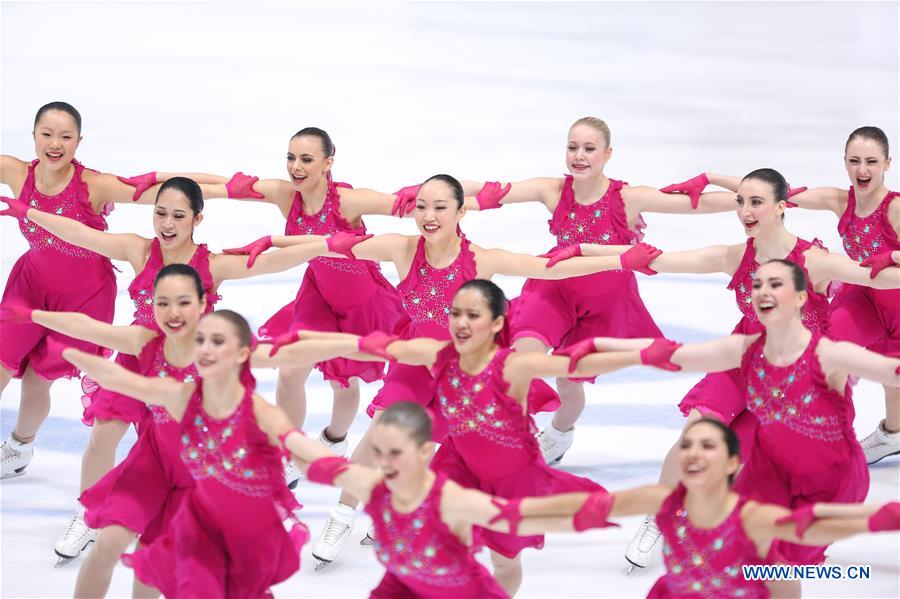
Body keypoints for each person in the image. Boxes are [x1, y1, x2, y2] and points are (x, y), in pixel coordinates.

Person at [269, 173, 661, 566]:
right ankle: (342, 516)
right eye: (422, 206)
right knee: (383, 429)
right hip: (418, 360)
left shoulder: (481, 259)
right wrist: (271, 243)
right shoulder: (402, 248)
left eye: (440, 207)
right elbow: (329, 245)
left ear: (460, 211)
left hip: (467, 371)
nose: (429, 215)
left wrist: (621, 258)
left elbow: (548, 269)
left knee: (451, 453)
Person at [0, 176, 369, 560]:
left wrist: (329, 244)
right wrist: (30, 212)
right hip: (136, 358)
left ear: (197, 219)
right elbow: (80, 234)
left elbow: (274, 263)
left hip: (188, 374)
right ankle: (89, 516)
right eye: (160, 213)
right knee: (104, 433)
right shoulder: (138, 250)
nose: (167, 224)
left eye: (178, 215)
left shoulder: (212, 264)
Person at [274, 279, 676, 594]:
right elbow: (371, 347)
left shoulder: (513, 367)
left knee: (504, 563)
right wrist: (306, 344)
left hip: (511, 480)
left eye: (473, 315)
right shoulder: (439, 355)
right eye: (455, 313)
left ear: (498, 323)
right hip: (457, 471)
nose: (461, 323)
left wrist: (645, 353)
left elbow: (580, 358)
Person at [609, 168, 899, 568]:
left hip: (794, 378)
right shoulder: (735, 255)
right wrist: (599, 255)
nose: (745, 210)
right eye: (740, 202)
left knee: (747, 456)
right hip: (742, 356)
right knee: (698, 426)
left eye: (756, 203)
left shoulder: (814, 261)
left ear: (782, 208)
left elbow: (873, 276)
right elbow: (662, 259)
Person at [565, 258, 900, 591]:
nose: (762, 294)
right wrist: (599, 349)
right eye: (757, 286)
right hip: (774, 468)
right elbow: (669, 355)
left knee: (781, 566)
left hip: (831, 477)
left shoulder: (829, 355)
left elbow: (891, 372)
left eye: (775, 286)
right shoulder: (746, 347)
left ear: (801, 297)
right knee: (755, 557)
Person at [129, 127, 413, 486]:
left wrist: (441, 200)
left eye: (306, 159)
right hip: (319, 297)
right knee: (291, 368)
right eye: (291, 158)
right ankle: (290, 453)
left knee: (344, 384)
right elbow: (224, 186)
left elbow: (403, 204)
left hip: (364, 303)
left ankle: (333, 441)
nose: (296, 167)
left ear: (328, 162)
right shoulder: (285, 194)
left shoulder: (346, 201)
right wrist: (158, 178)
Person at [452, 116, 739, 465]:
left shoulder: (628, 198)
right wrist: (434, 193)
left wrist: (755, 199)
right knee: (525, 353)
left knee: (568, 383)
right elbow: (489, 189)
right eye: (572, 147)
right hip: (554, 287)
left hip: (606, 303)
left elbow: (696, 205)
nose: (579, 156)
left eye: (589, 148)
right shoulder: (552, 190)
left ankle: (559, 433)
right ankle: (508, 439)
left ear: (607, 154)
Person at [0, 102, 232, 483]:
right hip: (30, 283)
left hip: (85, 296)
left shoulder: (95, 184)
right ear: (33, 136)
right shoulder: (14, 171)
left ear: (78, 141)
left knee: (39, 378)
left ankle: (18, 447)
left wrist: (233, 188)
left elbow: (170, 191)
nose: (55, 144)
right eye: (47, 134)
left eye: (65, 136)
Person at [55, 309, 359, 598]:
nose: (205, 351)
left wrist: (369, 346)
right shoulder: (179, 389)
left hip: (217, 498)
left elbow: (295, 438)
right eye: (200, 342)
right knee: (140, 556)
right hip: (162, 472)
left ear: (242, 355)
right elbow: (126, 380)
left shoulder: (252, 407)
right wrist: (70, 348)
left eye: (216, 343)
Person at [505, 417, 900, 598]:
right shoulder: (665, 502)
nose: (692, 455)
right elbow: (592, 508)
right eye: (688, 447)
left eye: (706, 447)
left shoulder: (754, 519)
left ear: (732, 464)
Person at [784, 126, 900, 464]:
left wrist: (893, 256)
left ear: (887, 164)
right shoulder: (839, 200)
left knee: (892, 383)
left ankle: (892, 436)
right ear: (845, 163)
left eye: (871, 162)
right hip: (863, 300)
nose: (862, 170)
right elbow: (778, 192)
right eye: (855, 161)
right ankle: (817, 434)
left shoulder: (895, 209)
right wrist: (710, 179)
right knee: (825, 351)